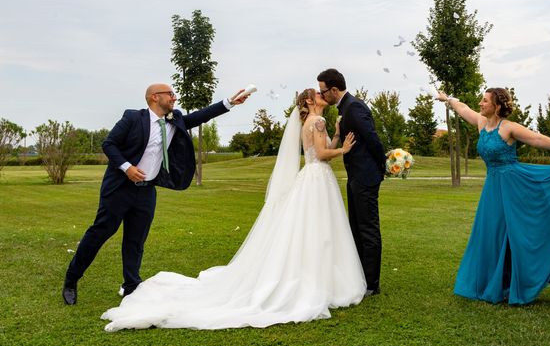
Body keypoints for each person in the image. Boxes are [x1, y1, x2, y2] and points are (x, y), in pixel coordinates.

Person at [101, 88, 366, 331]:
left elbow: (320, 150)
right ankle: (322, 280)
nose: (323, 96)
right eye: (318, 94)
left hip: (315, 179)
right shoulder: (315, 121)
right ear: (309, 101)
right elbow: (321, 154)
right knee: (319, 231)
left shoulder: (310, 122)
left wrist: (338, 134)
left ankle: (316, 277)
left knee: (314, 230)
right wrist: (342, 149)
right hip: (316, 178)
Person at [62, 83, 250, 305]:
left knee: (136, 240)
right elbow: (109, 144)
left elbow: (200, 116)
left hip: (146, 191)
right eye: (170, 94)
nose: (174, 98)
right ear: (154, 97)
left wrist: (229, 103)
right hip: (119, 189)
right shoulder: (133, 118)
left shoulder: (174, 119)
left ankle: (131, 285)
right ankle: (71, 281)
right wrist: (127, 168)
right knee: (100, 233)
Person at [436, 87, 550, 305]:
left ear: (497, 106)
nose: (481, 104)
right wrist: (448, 99)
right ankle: (502, 283)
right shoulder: (482, 123)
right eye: (481, 100)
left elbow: (537, 139)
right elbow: (462, 108)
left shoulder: (509, 128)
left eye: (485, 101)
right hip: (494, 188)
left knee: (536, 226)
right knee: (496, 233)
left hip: (516, 185)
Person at [317, 69, 386, 296]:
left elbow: (373, 140)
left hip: (365, 177)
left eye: (323, 91)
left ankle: (371, 284)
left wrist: (381, 168)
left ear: (334, 89)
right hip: (356, 176)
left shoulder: (353, 107)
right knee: (356, 227)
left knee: (367, 229)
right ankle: (360, 277)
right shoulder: (345, 108)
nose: (322, 95)